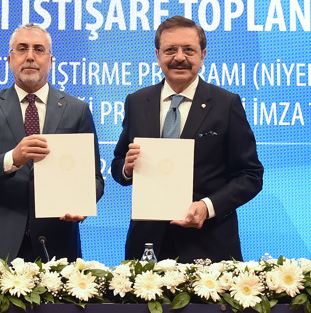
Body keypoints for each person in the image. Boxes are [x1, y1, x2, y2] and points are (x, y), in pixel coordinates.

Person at [111, 16, 263, 262]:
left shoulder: (226, 104)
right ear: (158, 55)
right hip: (147, 248)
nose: (179, 57)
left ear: (203, 56)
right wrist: (127, 169)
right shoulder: (137, 102)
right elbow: (118, 164)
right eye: (170, 50)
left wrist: (207, 207)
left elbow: (250, 175)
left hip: (209, 247)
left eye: (189, 50)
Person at [0, 24, 104, 262]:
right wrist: (13, 159)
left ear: (51, 60)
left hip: (57, 244)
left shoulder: (77, 110)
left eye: (39, 49)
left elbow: (94, 179)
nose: (30, 56)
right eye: (22, 49)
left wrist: (83, 203)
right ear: (9, 60)